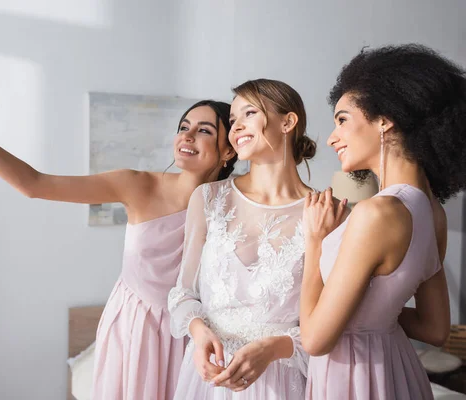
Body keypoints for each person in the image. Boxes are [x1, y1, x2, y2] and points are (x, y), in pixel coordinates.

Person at [0, 70, 238, 400]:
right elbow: (33, 184)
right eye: (183, 128)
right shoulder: (136, 184)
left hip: (197, 334)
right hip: (136, 328)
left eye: (204, 131)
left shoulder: (235, 204)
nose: (187, 137)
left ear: (229, 151)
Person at [301, 44, 466, 399]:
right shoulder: (432, 210)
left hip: (353, 376)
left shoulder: (376, 214)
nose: (332, 137)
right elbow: (435, 328)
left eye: (342, 119)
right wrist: (371, 313)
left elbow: (314, 339)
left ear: (385, 119)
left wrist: (315, 241)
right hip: (396, 371)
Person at [168, 78, 316, 399]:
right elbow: (183, 294)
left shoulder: (322, 211)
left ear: (288, 122)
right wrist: (198, 330)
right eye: (233, 119)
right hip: (207, 377)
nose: (236, 126)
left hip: (279, 381)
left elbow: (326, 323)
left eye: (249, 113)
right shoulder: (208, 198)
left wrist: (275, 348)